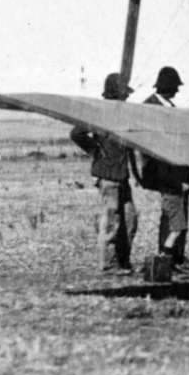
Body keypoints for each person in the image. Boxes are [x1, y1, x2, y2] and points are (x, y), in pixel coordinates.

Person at [70, 72, 137, 274]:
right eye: (124, 93)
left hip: (120, 175)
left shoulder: (121, 114)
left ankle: (122, 262)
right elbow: (76, 133)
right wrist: (96, 151)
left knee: (130, 218)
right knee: (112, 220)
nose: (126, 97)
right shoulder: (99, 112)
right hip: (108, 176)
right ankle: (109, 264)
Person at [140, 65, 189, 272]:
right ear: (168, 87)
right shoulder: (150, 107)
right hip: (165, 173)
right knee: (172, 217)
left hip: (176, 172)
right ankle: (168, 258)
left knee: (176, 216)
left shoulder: (168, 107)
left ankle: (175, 256)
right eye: (175, 86)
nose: (177, 91)